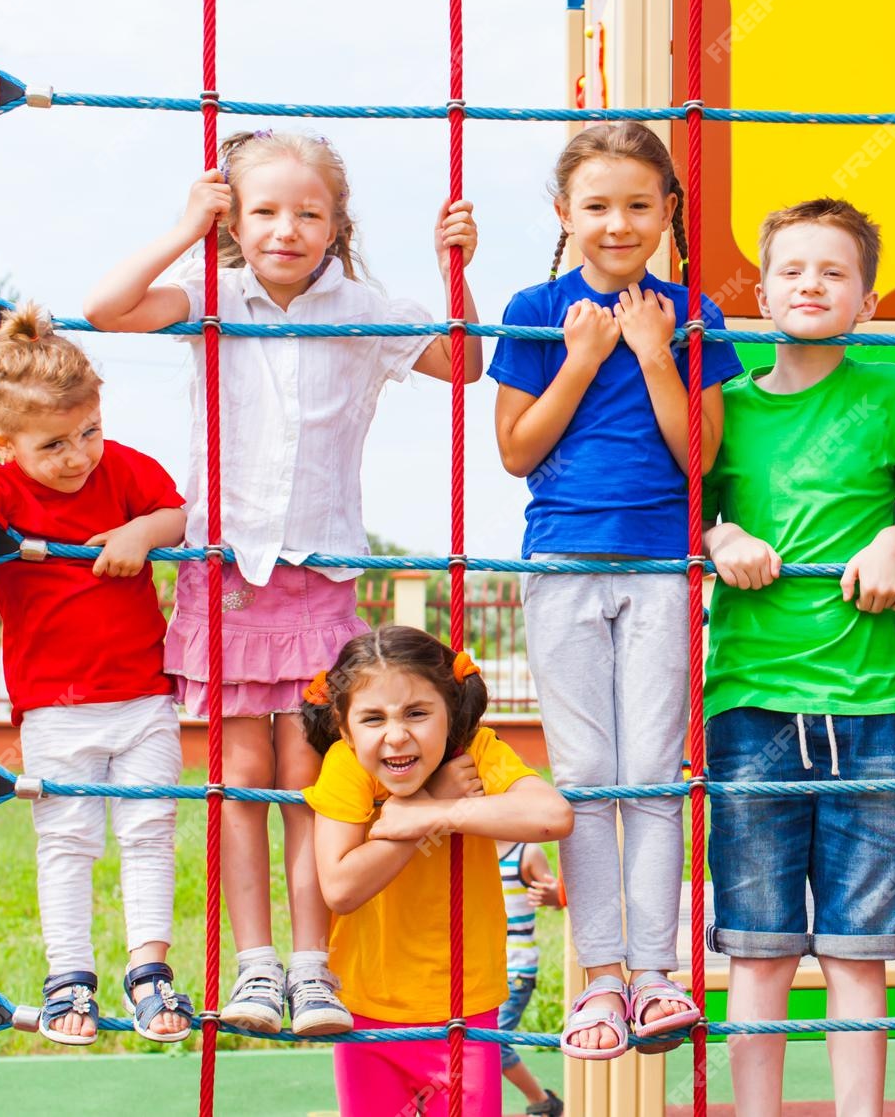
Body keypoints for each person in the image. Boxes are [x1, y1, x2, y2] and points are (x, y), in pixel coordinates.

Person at [84, 130, 482, 1035]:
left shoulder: (365, 309)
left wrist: (451, 267)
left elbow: (465, 362)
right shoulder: (209, 296)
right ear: (234, 219)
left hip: (318, 576)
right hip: (226, 577)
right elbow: (105, 307)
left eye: (309, 213)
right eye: (263, 210)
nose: (287, 228)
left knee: (309, 775)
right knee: (239, 778)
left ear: (338, 226)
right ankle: (255, 963)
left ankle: (313, 966)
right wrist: (189, 226)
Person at [490, 120, 741, 1059]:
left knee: (654, 772)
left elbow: (701, 457)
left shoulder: (690, 313)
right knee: (588, 773)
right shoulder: (533, 306)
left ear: (668, 212)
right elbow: (517, 451)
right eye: (597, 206)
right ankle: (599, 976)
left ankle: (655, 973)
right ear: (565, 213)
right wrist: (587, 356)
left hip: (658, 566)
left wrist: (648, 351)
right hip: (562, 561)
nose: (619, 222)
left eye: (640, 204)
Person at [0, 305, 194, 1047]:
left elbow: (178, 515)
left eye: (88, 430)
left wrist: (137, 531)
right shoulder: (0, 487)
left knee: (151, 829)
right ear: (3, 441)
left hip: (146, 696)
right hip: (56, 708)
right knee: (67, 839)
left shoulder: (120, 468)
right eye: (53, 443)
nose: (77, 455)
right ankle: (70, 977)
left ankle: (151, 970)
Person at [703, 199, 895, 1112]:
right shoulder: (724, 405)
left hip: (869, 702)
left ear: (866, 296)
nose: (811, 284)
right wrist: (721, 536)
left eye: (833, 272)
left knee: (859, 948)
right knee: (758, 944)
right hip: (751, 698)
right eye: (793, 269)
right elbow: (690, 513)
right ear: (761, 291)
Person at [302, 625, 574, 1117]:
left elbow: (552, 816)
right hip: (366, 1008)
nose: (396, 735)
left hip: (464, 1009)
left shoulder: (477, 751)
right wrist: (428, 806)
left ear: (450, 712)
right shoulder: (348, 764)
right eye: (372, 718)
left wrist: (432, 815)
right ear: (345, 729)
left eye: (417, 713)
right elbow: (340, 887)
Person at [498, 838, 564, 1117]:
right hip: (480, 969)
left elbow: (557, 898)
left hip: (516, 968)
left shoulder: (526, 852)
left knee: (491, 1042)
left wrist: (555, 895)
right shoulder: (472, 847)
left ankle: (541, 1101)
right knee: (475, 1040)